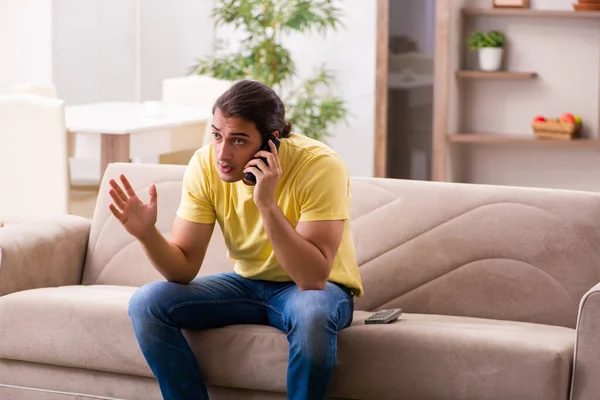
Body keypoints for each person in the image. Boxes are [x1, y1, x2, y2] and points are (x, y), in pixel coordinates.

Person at [108, 79, 364, 400]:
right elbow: (183, 269)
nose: (222, 154)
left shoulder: (320, 165)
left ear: (271, 142)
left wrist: (267, 203)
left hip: (315, 289)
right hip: (247, 284)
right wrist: (146, 234)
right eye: (217, 136)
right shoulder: (204, 164)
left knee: (312, 314)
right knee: (147, 302)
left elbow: (312, 277)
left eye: (238, 141)